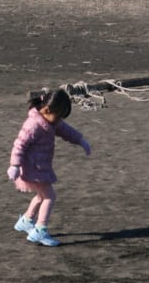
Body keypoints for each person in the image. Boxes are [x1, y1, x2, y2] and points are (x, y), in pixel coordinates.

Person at [7, 88, 91, 247]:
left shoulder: (51, 120)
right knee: (49, 197)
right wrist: (15, 165)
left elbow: (66, 130)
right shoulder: (33, 125)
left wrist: (80, 140)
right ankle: (40, 229)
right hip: (34, 167)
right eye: (58, 116)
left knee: (41, 195)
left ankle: (26, 220)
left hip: (41, 166)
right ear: (46, 109)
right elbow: (19, 145)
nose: (58, 120)